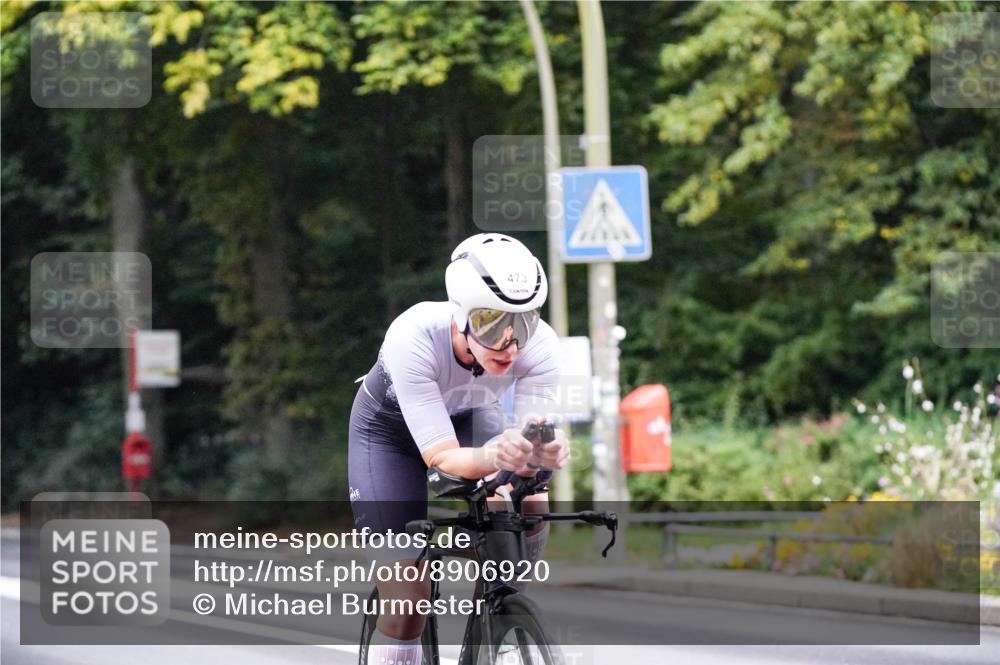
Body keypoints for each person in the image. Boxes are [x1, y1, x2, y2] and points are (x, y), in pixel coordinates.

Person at [348, 233, 570, 665]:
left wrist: (536, 459)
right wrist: (499, 457)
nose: (510, 342)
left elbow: (531, 439)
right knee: (408, 602)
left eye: (523, 322)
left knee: (528, 503)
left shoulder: (540, 347)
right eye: (491, 323)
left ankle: (498, 618)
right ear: (462, 317)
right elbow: (443, 460)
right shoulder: (412, 335)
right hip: (388, 437)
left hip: (469, 418)